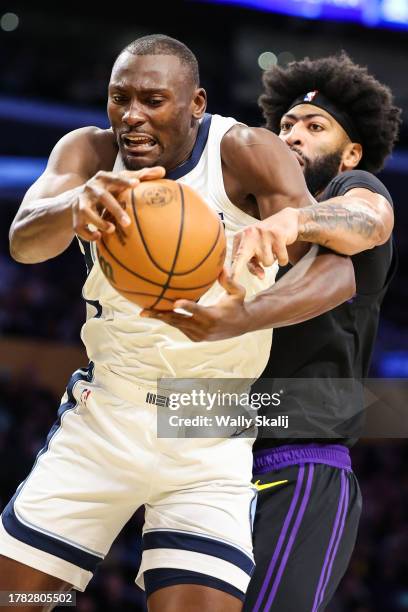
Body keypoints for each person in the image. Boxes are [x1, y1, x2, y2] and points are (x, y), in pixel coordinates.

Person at [1, 35, 356, 612]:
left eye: (153, 100)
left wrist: (241, 316)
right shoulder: (88, 153)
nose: (132, 115)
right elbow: (23, 241)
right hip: (108, 411)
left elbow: (337, 274)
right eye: (120, 99)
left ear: (196, 103)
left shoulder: (244, 151)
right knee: (19, 601)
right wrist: (75, 205)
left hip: (209, 423)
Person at [235, 53, 399, 611]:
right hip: (220, 459)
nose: (293, 136)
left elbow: (369, 219)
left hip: (300, 459)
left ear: (351, 149)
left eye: (314, 126)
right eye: (285, 126)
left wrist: (294, 220)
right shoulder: (246, 215)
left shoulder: (349, 187)